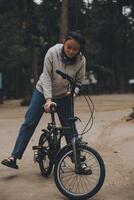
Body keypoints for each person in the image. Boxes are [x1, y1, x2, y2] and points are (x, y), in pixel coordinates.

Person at [1, 31, 86, 169]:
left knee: (69, 127)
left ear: (79, 50)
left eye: (75, 49)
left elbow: (79, 81)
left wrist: (72, 95)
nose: (71, 51)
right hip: (42, 91)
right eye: (69, 46)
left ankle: (78, 161)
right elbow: (46, 76)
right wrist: (48, 99)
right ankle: (14, 157)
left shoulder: (81, 60)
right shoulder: (52, 52)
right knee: (29, 122)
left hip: (64, 95)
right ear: (64, 43)